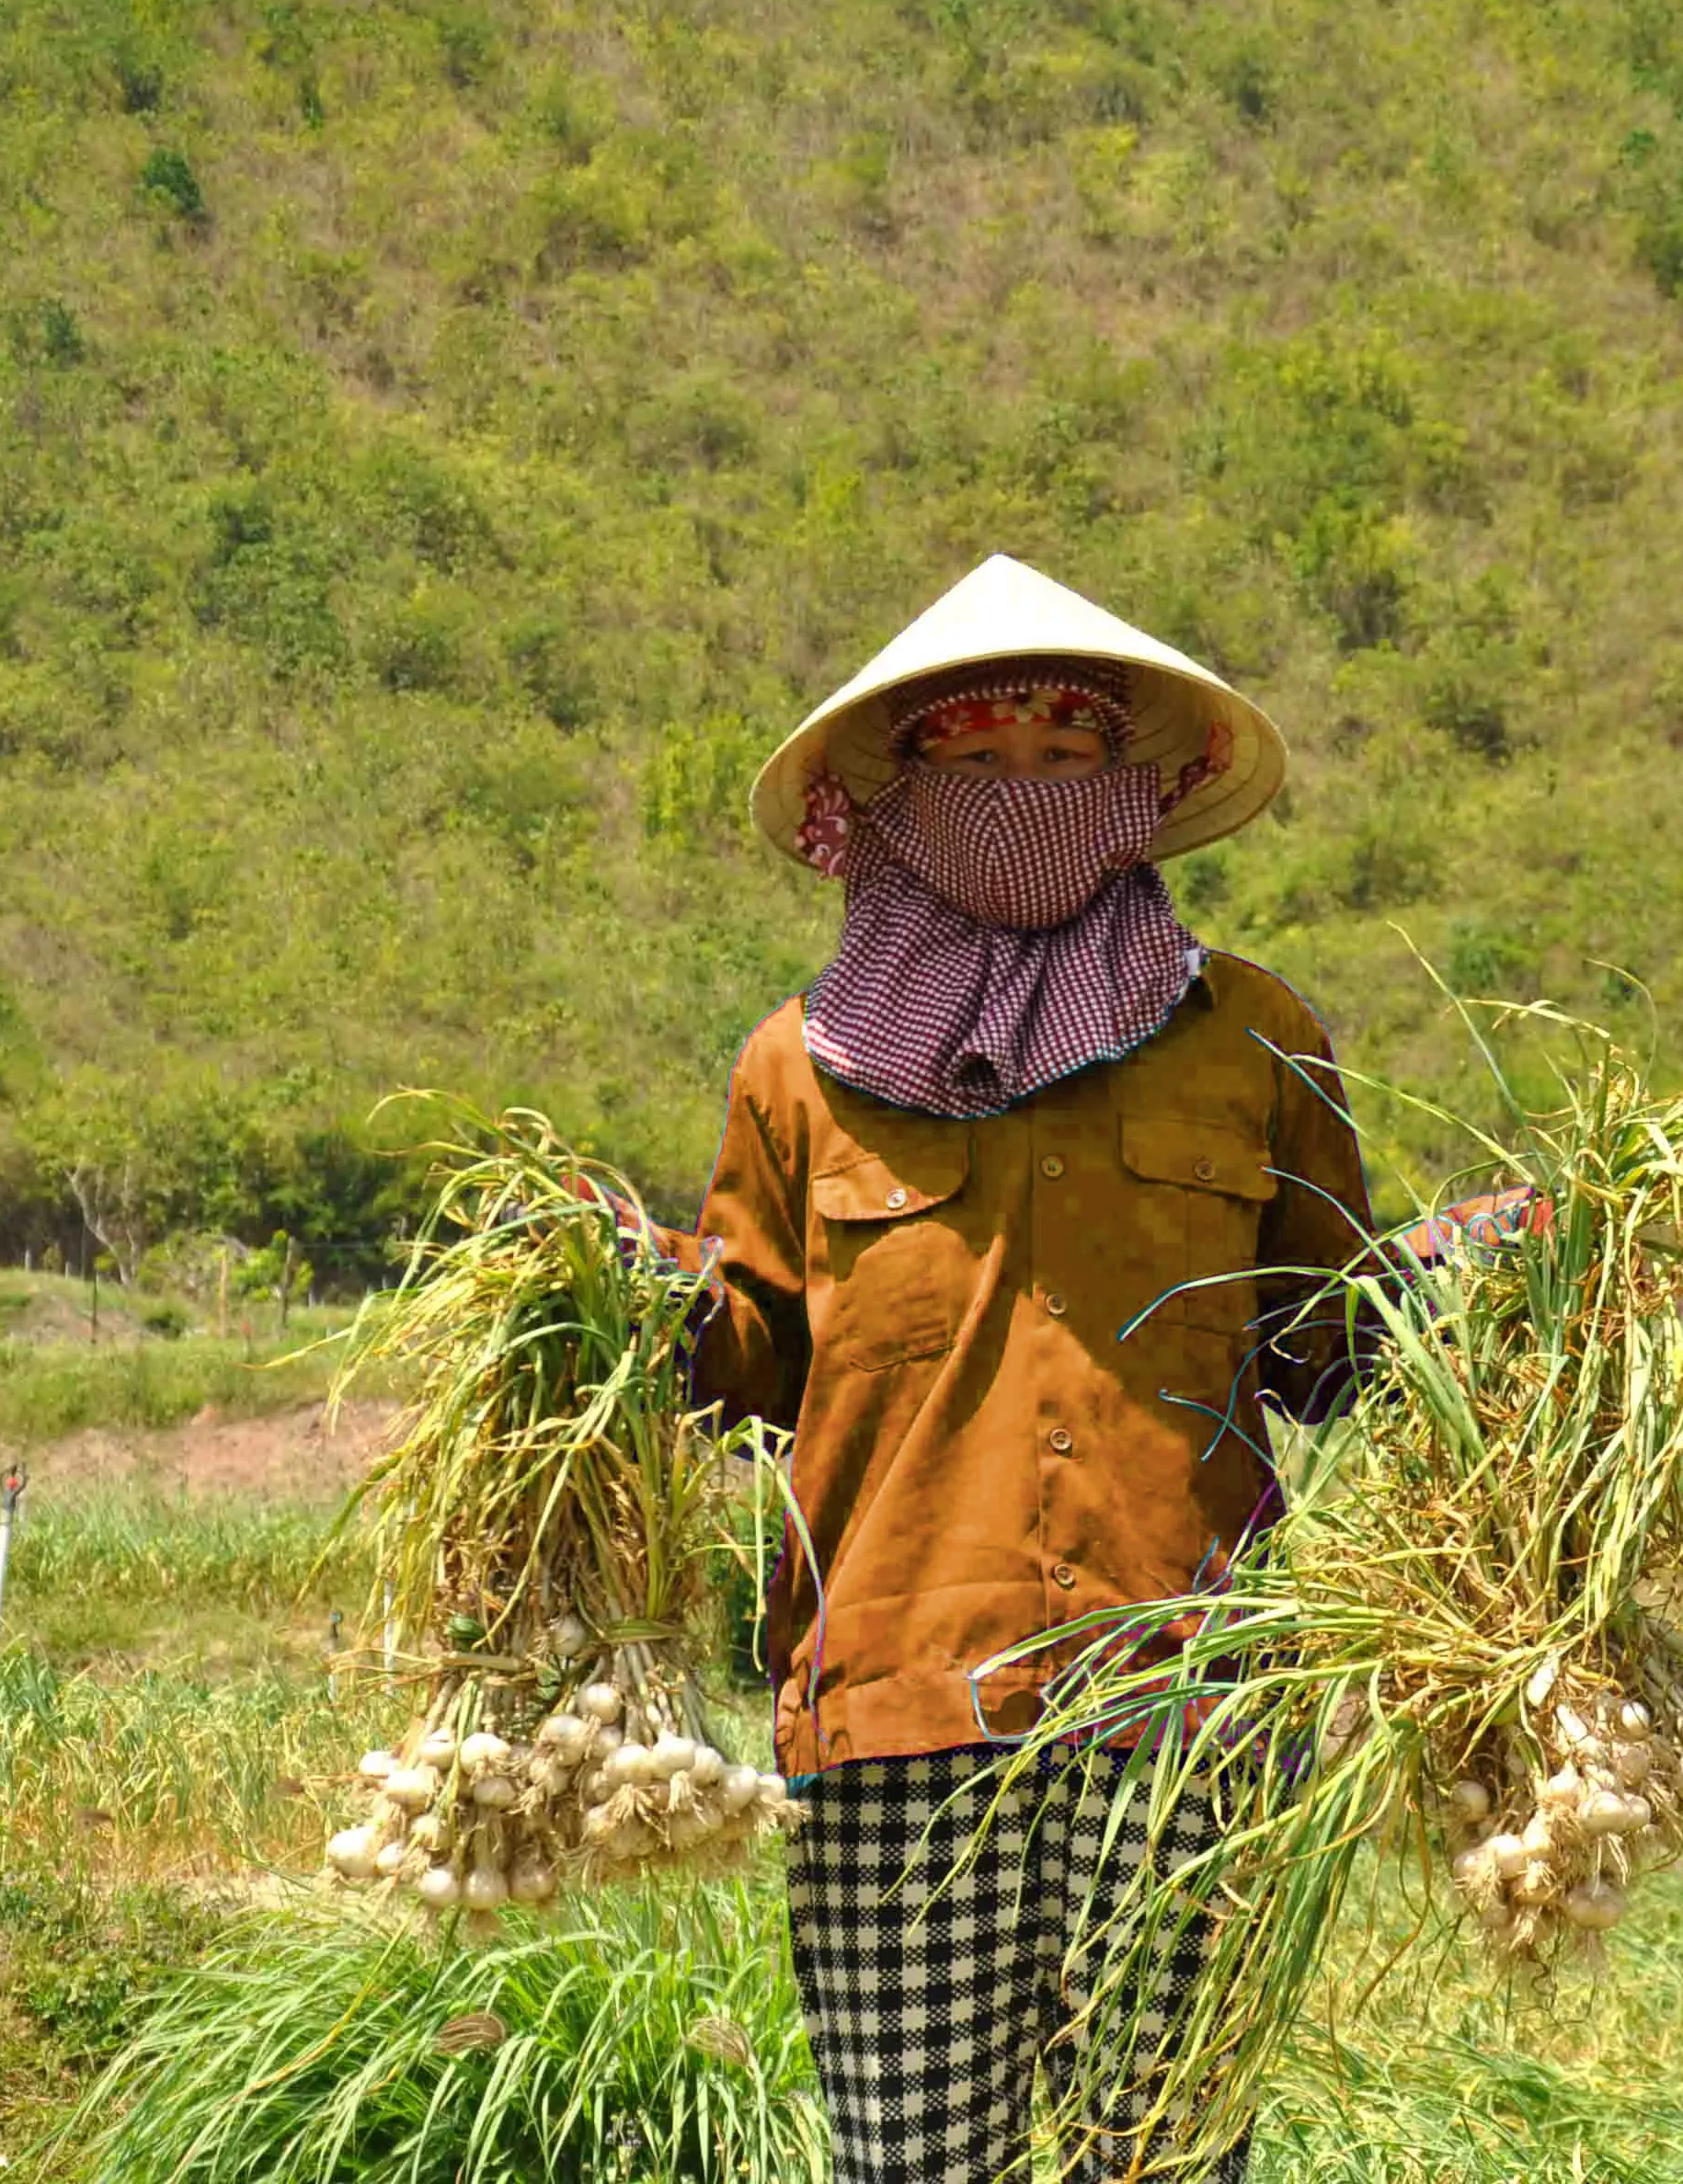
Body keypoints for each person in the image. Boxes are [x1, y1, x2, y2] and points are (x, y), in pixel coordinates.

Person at [690, 554, 1374, 2184]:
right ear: (901, 796)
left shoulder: (1255, 1037)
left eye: (1068, 761)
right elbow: (738, 1368)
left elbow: (1336, 1344)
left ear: (1140, 789)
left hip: (1189, 1711)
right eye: (978, 762)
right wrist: (597, 1303)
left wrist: (1502, 1292)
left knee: (1167, 2164)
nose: (1025, 799)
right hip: (901, 1710)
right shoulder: (800, 1072)